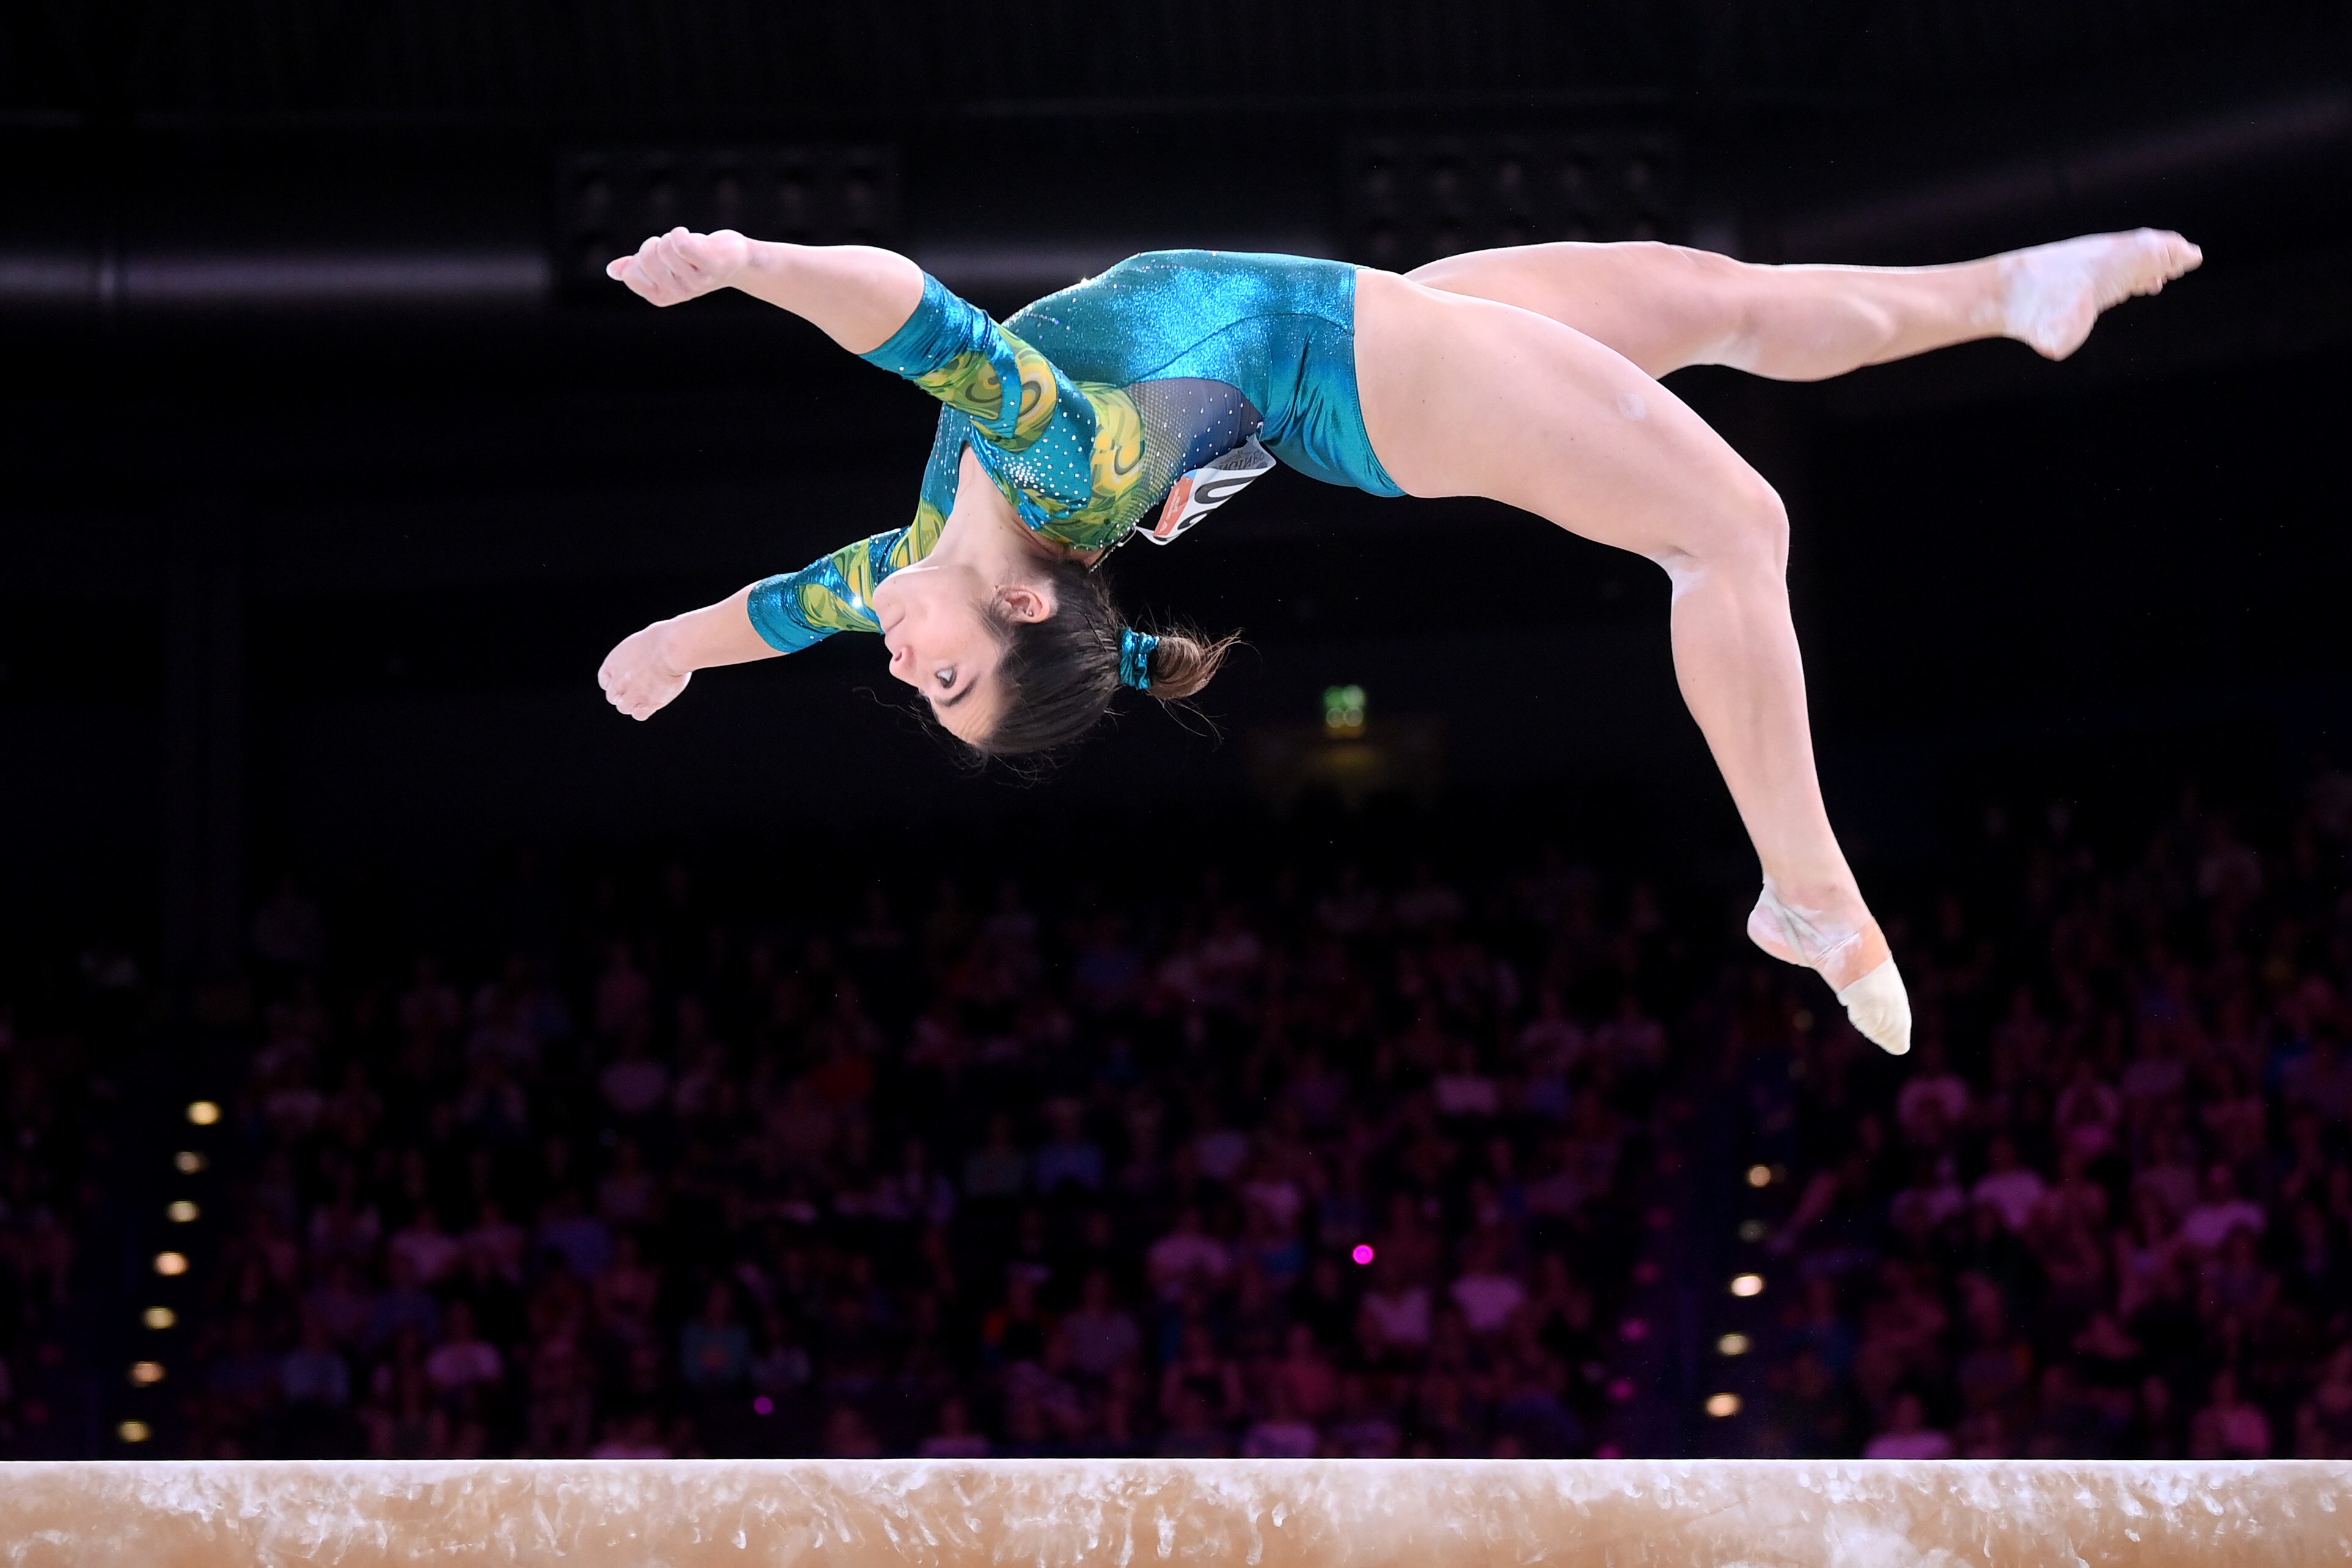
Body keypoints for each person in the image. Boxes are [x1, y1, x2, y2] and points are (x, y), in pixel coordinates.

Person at [596, 227, 2199, 1052]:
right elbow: (911, 320)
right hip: (1381, 374)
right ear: (1024, 609)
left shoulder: (914, 550)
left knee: (1734, 309)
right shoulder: (1051, 467)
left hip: (1362, 320)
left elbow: (795, 578)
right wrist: (747, 272)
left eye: (918, 685)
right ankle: (1803, 889)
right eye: (941, 684)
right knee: (1731, 531)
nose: (894, 661)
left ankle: (2013, 289)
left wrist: (671, 642)